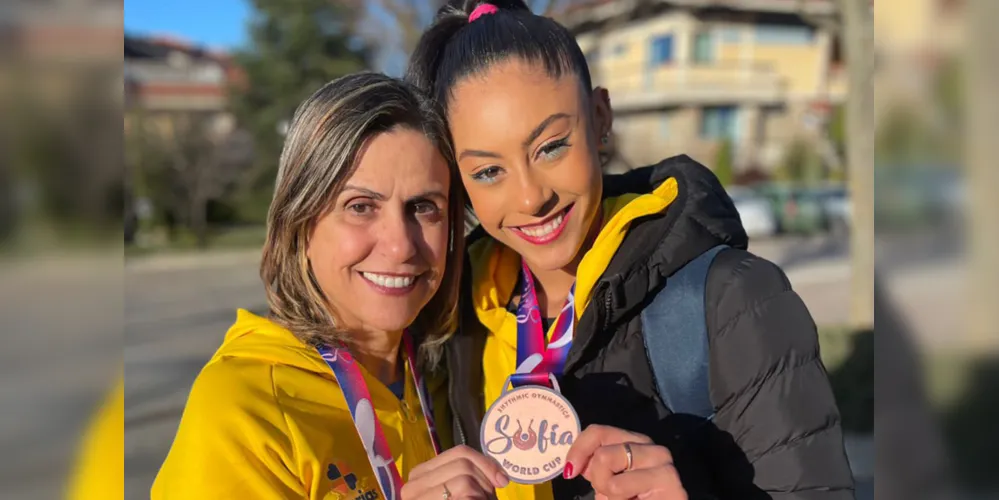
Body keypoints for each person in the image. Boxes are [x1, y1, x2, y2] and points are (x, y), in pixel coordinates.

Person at [404, 2, 855, 499]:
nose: (531, 198)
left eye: (551, 146)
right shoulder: (452, 321)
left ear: (600, 118)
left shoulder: (732, 299)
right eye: (489, 171)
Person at [152, 73, 510, 499]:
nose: (400, 245)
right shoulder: (243, 406)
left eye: (422, 206)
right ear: (301, 224)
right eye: (360, 207)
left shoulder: (449, 370)